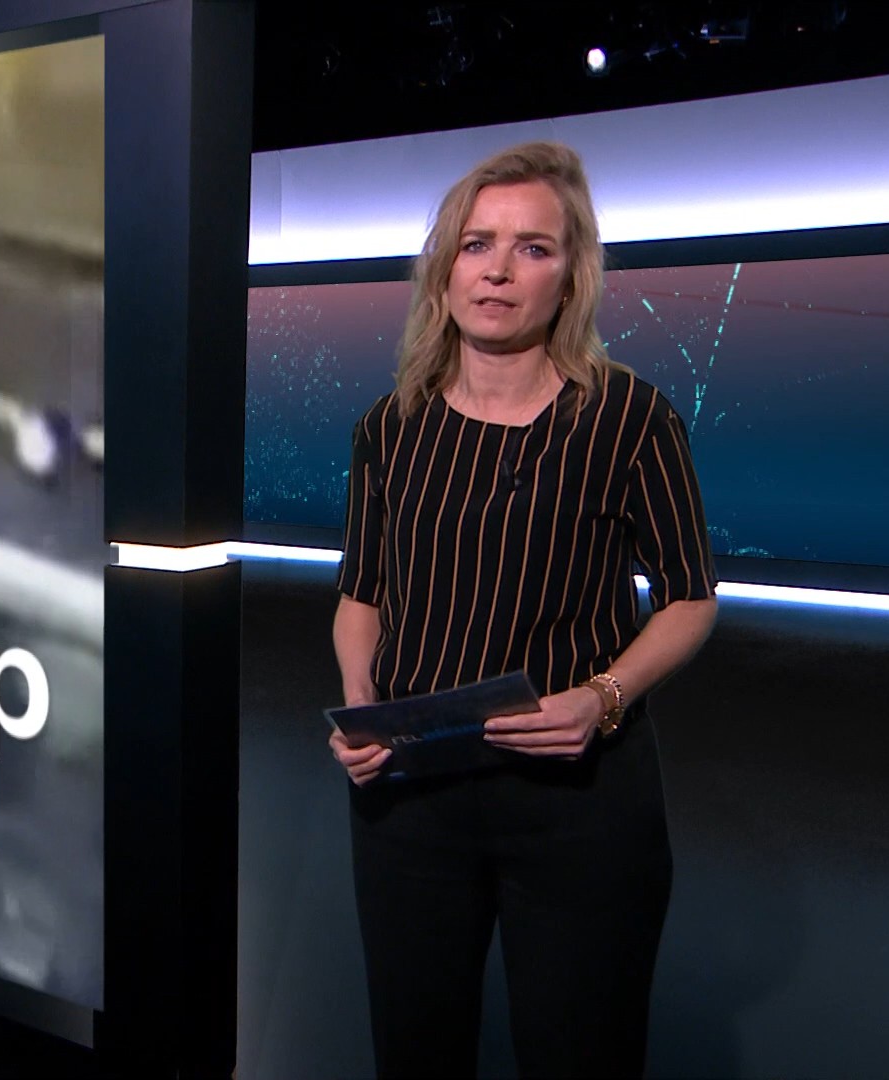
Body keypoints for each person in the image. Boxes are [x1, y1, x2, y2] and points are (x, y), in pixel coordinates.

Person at [328, 141, 719, 1079]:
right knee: (415, 1055)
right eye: (477, 244)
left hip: (578, 803)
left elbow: (689, 598)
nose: (498, 269)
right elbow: (362, 592)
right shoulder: (390, 424)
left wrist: (603, 697)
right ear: (445, 269)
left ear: (571, 277)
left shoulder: (631, 418)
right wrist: (362, 709)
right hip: (411, 797)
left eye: (532, 248)